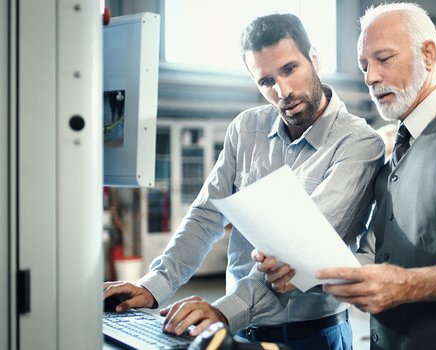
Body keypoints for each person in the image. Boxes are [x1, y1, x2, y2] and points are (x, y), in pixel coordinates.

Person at [258, 3, 436, 349]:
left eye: (384, 59)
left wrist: (408, 285)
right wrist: (303, 269)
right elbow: (375, 256)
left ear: (428, 54)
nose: (370, 77)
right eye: (364, 66)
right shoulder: (393, 148)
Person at [102, 13, 385, 350]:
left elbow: (297, 254)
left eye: (290, 69)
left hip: (312, 337)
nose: (283, 91)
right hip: (236, 333)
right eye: (266, 81)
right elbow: (206, 215)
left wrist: (223, 311)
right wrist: (155, 284)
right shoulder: (246, 129)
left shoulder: (359, 143)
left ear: (315, 59)